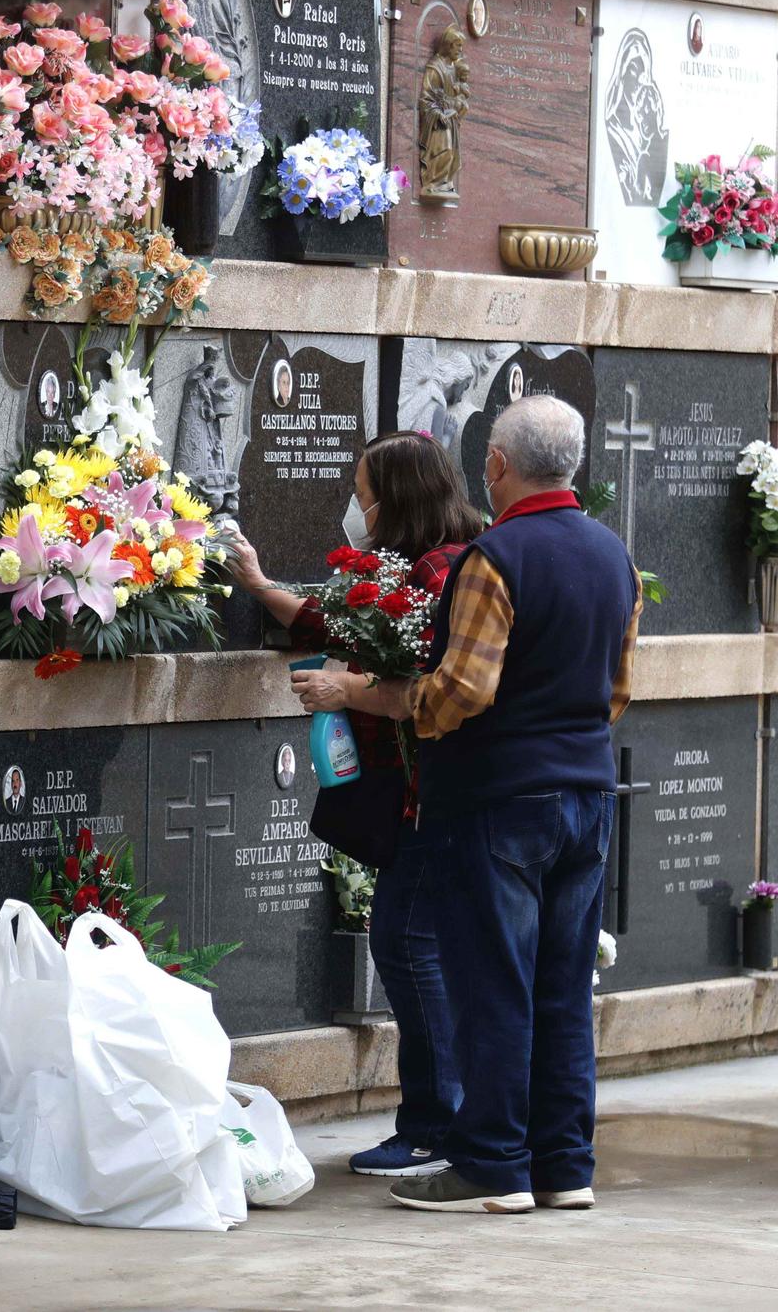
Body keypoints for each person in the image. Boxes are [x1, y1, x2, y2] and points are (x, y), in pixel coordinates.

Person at [291, 397, 640, 1213]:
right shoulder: (612, 555)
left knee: (494, 983)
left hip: (498, 800)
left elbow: (460, 693)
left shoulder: (497, 557)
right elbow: (619, 690)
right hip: (589, 794)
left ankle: (489, 1162)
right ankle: (563, 1166)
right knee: (562, 987)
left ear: (498, 466)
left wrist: (386, 695)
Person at [231, 431, 484, 1179]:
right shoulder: (419, 565)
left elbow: (442, 687)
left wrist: (350, 689)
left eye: (363, 493)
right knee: (412, 946)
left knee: (408, 946)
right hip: (420, 801)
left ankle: (438, 1124)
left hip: (437, 800)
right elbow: (336, 623)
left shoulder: (448, 574)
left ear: (396, 498)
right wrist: (259, 584)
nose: (355, 506)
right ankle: (442, 1119)